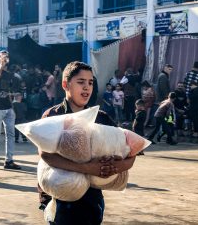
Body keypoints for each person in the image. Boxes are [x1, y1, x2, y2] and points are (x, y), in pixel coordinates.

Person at [39, 61, 136, 224]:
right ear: (65, 84)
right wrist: (87, 168)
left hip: (92, 199)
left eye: (90, 83)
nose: (87, 87)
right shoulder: (53, 116)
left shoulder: (101, 117)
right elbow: (46, 155)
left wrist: (112, 167)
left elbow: (131, 154)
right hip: (60, 198)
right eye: (81, 82)